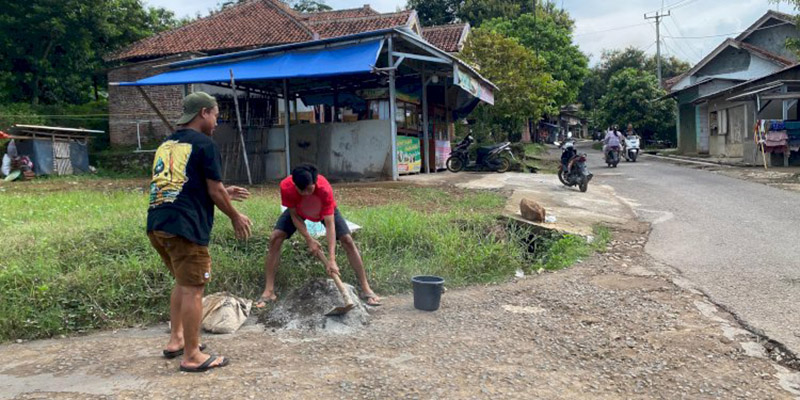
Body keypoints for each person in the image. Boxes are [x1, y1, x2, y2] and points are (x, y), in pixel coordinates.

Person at [147, 91, 252, 373]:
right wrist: (235, 215)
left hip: (158, 222)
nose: (217, 122)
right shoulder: (205, 144)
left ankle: (177, 339)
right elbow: (214, 190)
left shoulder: (167, 144)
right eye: (216, 115)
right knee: (194, 289)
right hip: (186, 227)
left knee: (183, 283)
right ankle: (192, 355)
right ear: (203, 112)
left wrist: (224, 193)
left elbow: (183, 184)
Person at [256, 164, 382, 308]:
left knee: (347, 240)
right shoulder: (286, 186)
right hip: (299, 211)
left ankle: (366, 289)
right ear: (295, 185)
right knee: (275, 237)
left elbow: (330, 224)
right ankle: (269, 291)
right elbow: (294, 216)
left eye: (309, 189)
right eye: (301, 190)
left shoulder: (324, 189)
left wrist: (332, 260)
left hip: (322, 211)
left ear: (315, 182)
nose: (306, 194)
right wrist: (309, 239)